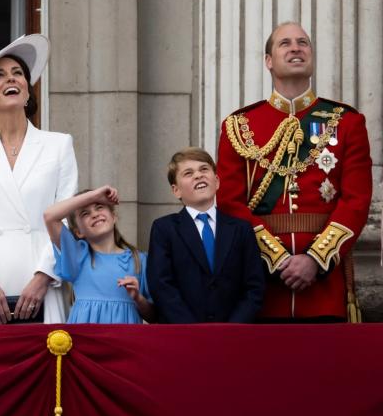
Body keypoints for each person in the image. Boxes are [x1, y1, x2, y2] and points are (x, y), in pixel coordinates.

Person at [216, 22, 372, 322]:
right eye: (285, 43)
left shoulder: (347, 122)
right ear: (268, 61)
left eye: (303, 42)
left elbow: (356, 201)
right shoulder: (239, 125)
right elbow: (229, 202)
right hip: (260, 285)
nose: (296, 47)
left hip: (324, 285)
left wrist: (315, 259)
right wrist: (277, 259)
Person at [0, 34, 78, 324]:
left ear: (28, 90)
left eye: (17, 73)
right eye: (0, 75)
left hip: (42, 277)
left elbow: (66, 219)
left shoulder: (58, 145)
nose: (11, 79)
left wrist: (44, 277)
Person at [147, 148, 265, 323]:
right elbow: (161, 285)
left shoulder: (241, 229)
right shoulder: (164, 229)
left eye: (204, 169)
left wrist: (232, 328)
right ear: (176, 190)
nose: (198, 175)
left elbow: (254, 286)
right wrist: (193, 330)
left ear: (216, 181)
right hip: (183, 334)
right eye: (188, 173)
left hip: (233, 334)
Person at [43, 186, 154, 324]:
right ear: (78, 232)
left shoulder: (139, 260)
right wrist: (95, 195)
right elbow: (49, 216)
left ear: (114, 217)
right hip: (85, 340)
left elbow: (153, 316)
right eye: (85, 213)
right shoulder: (77, 256)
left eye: (100, 207)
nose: (94, 214)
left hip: (124, 340)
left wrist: (138, 298)